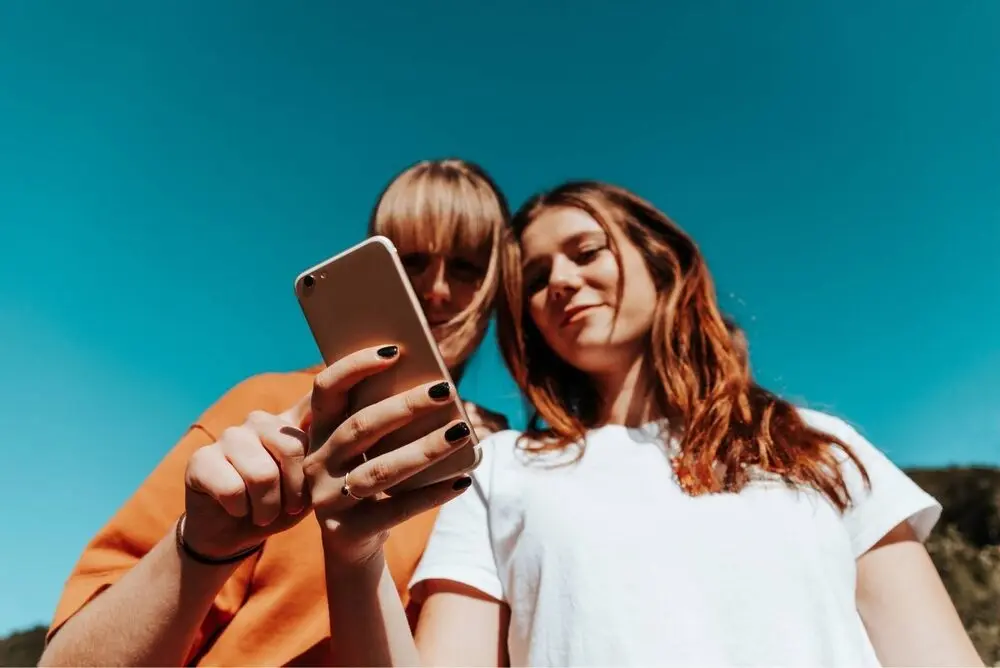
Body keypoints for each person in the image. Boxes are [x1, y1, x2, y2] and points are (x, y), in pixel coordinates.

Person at [314, 180, 984, 667]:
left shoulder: (820, 445)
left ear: (661, 259)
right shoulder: (500, 468)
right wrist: (353, 558)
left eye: (586, 252)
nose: (562, 283)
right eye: (538, 278)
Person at [40, 158, 510, 667]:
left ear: (496, 288)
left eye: (466, 267)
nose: (438, 289)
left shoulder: (512, 459)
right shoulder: (268, 408)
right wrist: (203, 548)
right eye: (411, 260)